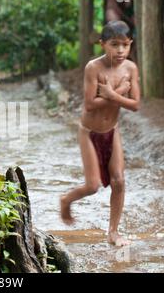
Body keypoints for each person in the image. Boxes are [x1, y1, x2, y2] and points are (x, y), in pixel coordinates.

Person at [60, 20, 140, 247]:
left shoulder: (131, 69)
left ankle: (113, 232)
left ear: (130, 44)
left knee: (119, 181)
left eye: (125, 45)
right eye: (114, 45)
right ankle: (66, 200)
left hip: (111, 132)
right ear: (102, 44)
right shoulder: (93, 68)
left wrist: (112, 94)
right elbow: (90, 104)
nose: (121, 51)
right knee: (92, 186)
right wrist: (118, 92)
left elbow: (135, 105)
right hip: (89, 133)